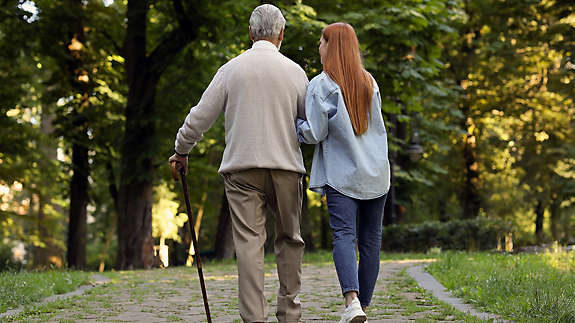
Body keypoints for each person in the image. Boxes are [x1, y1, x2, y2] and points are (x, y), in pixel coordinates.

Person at [169, 4, 308, 323]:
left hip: (242, 170)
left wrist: (182, 149)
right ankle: (289, 313)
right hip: (286, 167)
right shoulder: (296, 72)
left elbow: (199, 117)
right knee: (290, 239)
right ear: (281, 34)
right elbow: (311, 124)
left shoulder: (231, 69)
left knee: (248, 245)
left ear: (250, 32)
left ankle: (254, 319)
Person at [296, 22, 391, 323]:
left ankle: (352, 301)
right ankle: (362, 305)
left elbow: (314, 132)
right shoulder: (369, 82)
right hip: (376, 172)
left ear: (332, 46)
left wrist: (295, 127)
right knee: (371, 242)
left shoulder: (321, 85)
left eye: (322, 42)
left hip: (343, 175)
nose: (318, 46)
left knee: (343, 236)